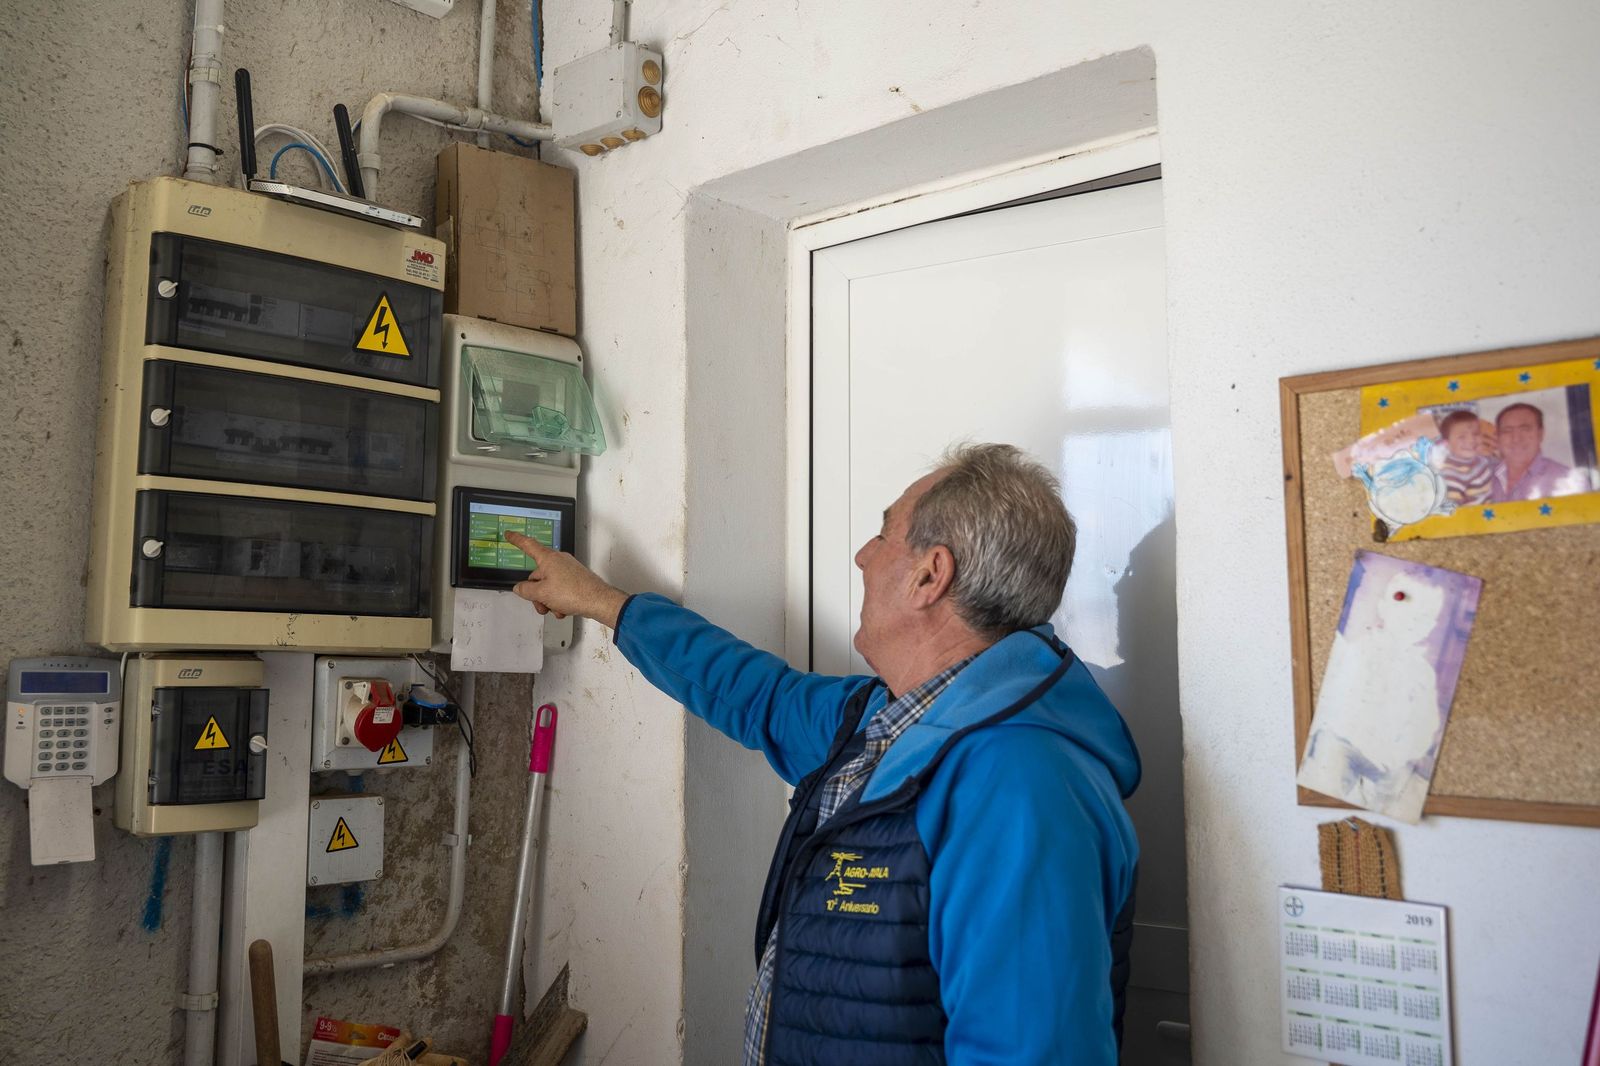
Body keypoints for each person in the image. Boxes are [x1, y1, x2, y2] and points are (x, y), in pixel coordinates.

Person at [504, 443, 1141, 1065]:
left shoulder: (1021, 788)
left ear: (929, 574)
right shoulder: (883, 721)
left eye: (884, 534)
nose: (864, 555)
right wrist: (601, 602)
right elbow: (758, 694)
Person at [1491, 402, 1576, 501]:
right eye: (1507, 431)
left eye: (1525, 429)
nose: (1516, 439)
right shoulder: (1481, 476)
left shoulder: (1567, 480)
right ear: (1497, 437)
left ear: (1540, 434)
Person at [1434, 409, 1496, 507]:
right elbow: (1452, 510)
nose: (1471, 440)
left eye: (1476, 434)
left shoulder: (1481, 459)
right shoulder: (1451, 475)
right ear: (1447, 444)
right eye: (1462, 437)